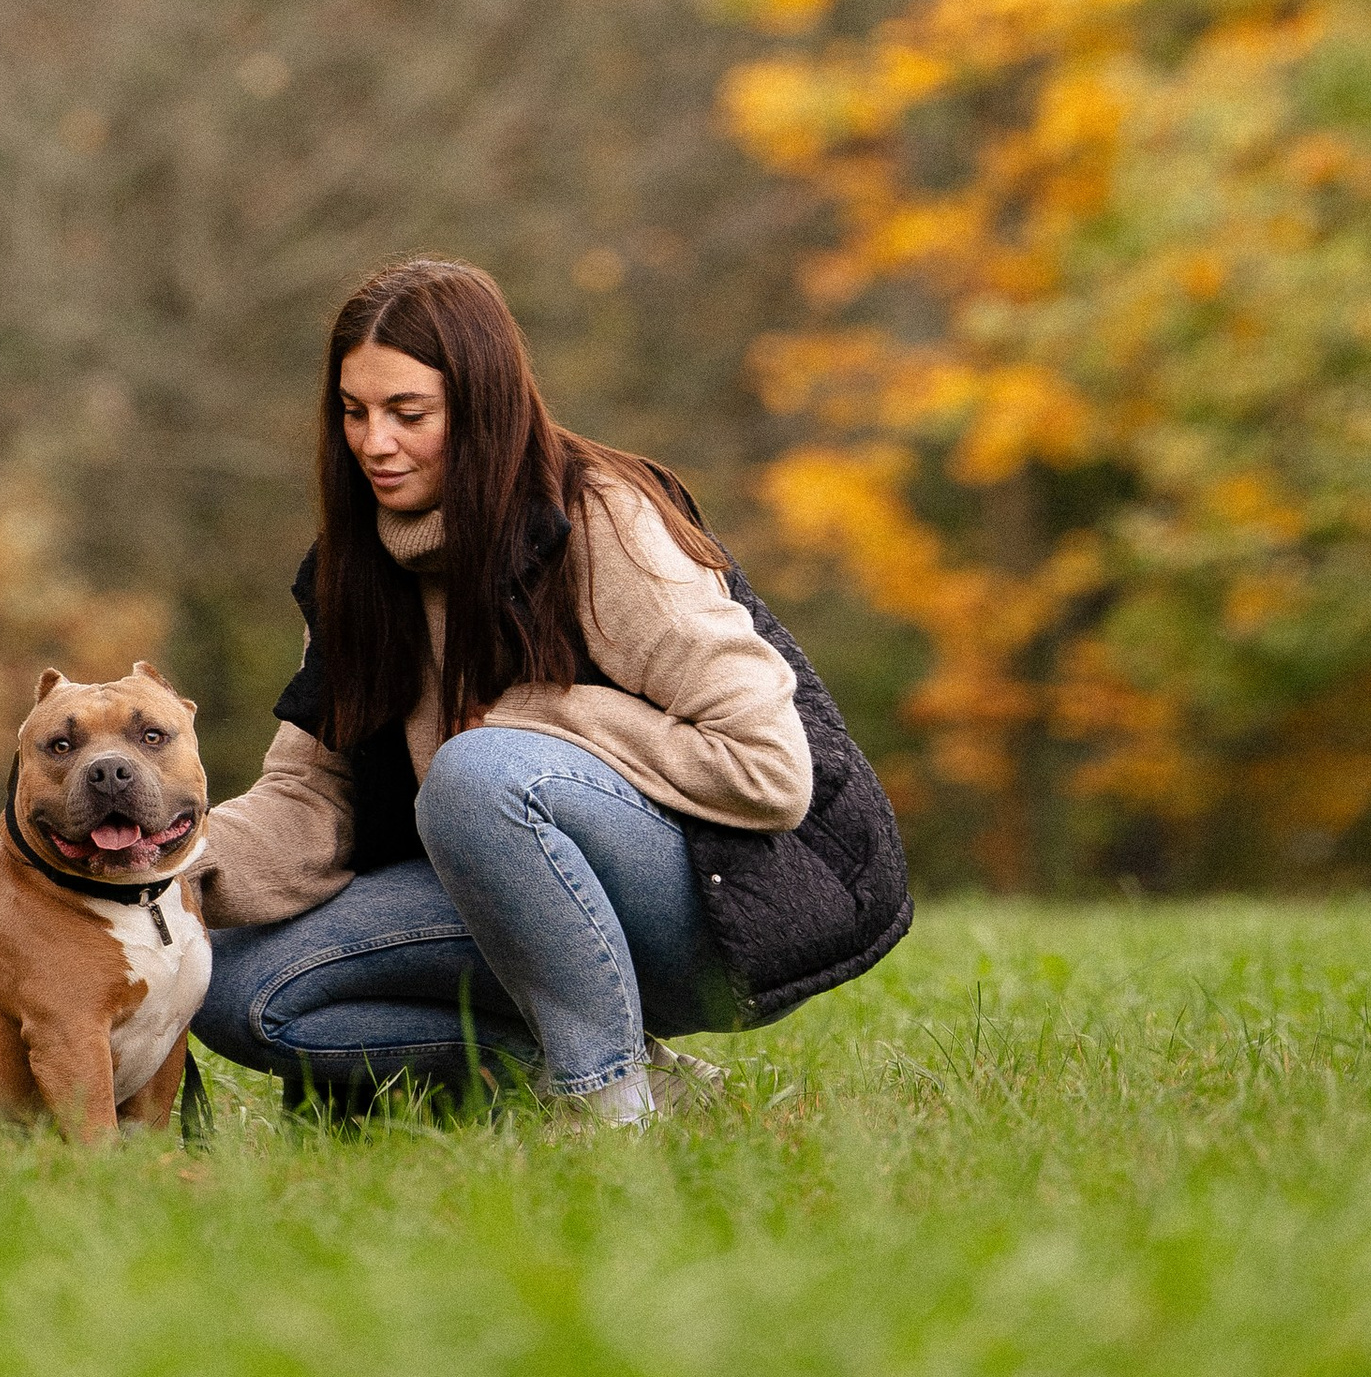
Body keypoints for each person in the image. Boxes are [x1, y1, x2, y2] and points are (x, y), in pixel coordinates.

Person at [191, 254, 909, 1127]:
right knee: (225, 980)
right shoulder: (356, 570)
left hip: (717, 906)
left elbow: (769, 769)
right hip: (504, 896)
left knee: (481, 771)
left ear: (481, 405)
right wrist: (163, 857)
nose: (374, 442)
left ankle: (606, 1110)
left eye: (408, 414)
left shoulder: (601, 518)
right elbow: (311, 797)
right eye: (354, 412)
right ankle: (628, 1082)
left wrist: (546, 714)